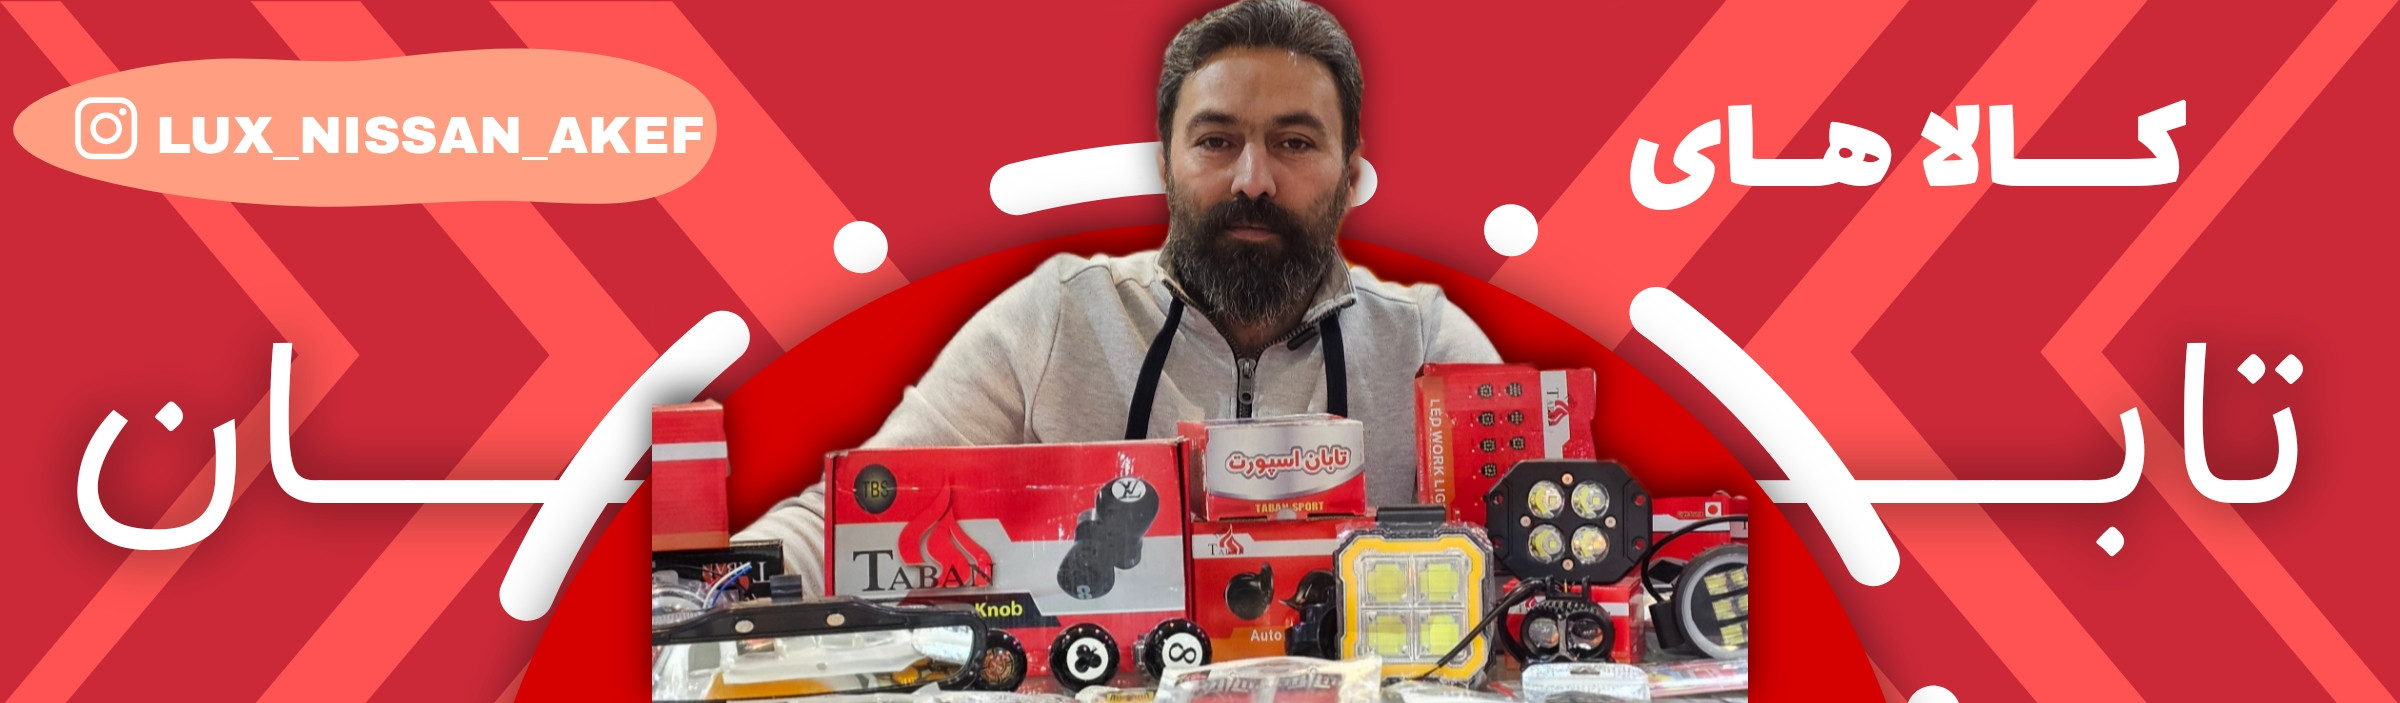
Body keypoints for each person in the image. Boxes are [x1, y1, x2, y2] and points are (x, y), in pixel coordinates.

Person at [737, 0, 1499, 593]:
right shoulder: (1058, 314)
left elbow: (1539, 546)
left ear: (1352, 174)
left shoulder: (1426, 345)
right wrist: (709, 588)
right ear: (1165, 165)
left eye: (1294, 143)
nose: (1253, 180)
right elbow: (852, 520)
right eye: (1216, 141)